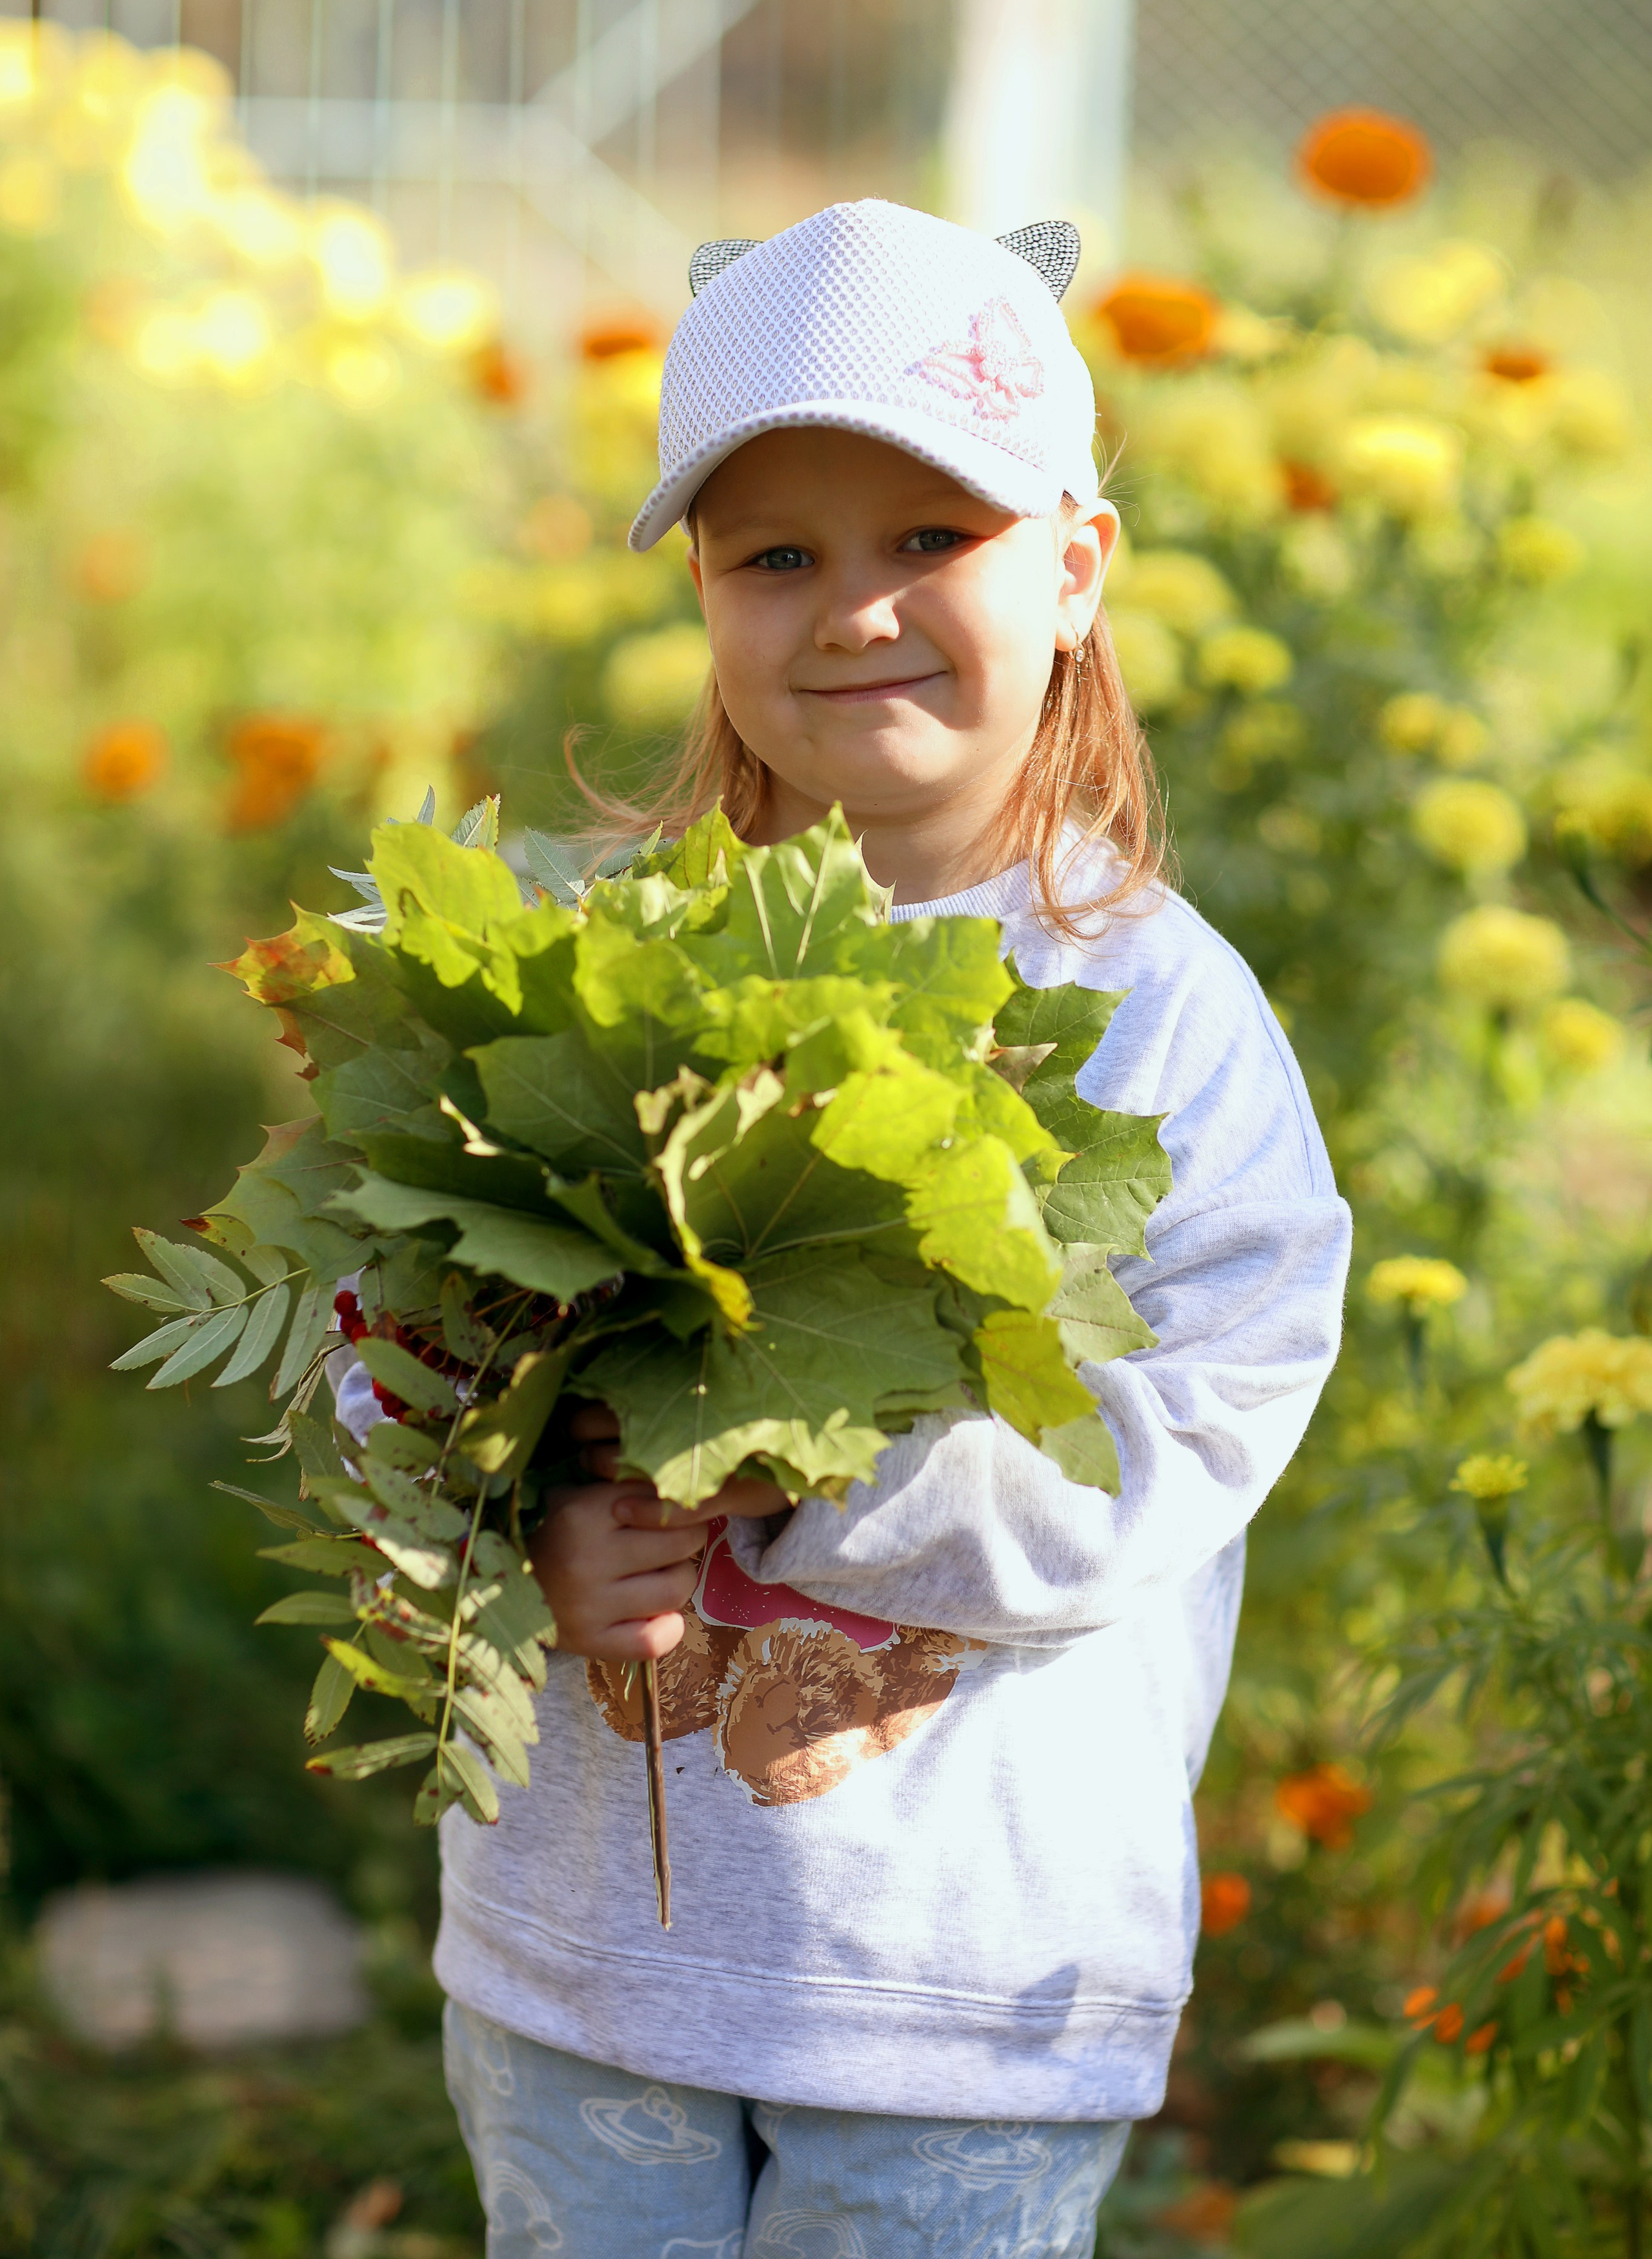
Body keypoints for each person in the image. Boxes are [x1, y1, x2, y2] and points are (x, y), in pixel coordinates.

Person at [430, 200, 1352, 2256]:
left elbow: (1184, 1429)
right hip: (594, 1962)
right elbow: (388, 1337)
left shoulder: (1158, 1016)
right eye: (780, 555)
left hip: (963, 1982)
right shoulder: (587, 954)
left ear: (1076, 567)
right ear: (702, 591)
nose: (855, 610)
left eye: (928, 538)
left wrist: (781, 1466)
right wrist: (523, 1519)